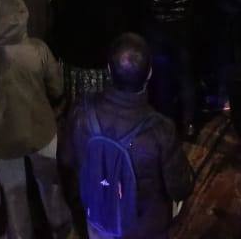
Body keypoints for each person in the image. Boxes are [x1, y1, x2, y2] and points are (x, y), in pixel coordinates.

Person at [0, 0, 72, 239]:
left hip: (3, 139)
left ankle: (21, 235)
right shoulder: (40, 49)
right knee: (50, 183)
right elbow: (57, 87)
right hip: (42, 129)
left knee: (14, 193)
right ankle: (62, 227)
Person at [62, 33, 194, 239]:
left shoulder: (81, 112)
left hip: (97, 215)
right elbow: (181, 187)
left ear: (108, 70)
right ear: (149, 73)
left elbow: (67, 163)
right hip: (144, 228)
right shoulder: (161, 129)